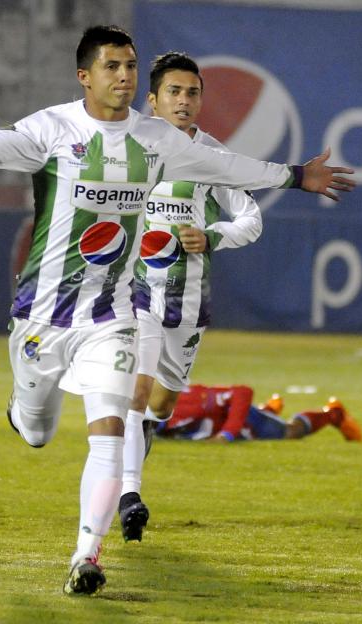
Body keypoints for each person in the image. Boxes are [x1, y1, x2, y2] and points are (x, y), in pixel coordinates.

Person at [0, 25, 354, 596]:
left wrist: (296, 177)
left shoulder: (157, 138)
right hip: (42, 318)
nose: (124, 76)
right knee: (35, 431)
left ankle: (86, 555)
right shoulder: (51, 130)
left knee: (109, 427)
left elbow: (228, 169)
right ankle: (24, 412)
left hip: (114, 315)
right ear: (85, 75)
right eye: (112, 67)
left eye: (130, 66)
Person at [118, 52, 266, 544]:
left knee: (160, 405)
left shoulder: (212, 159)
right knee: (135, 394)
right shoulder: (127, 147)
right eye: (175, 93)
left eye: (193, 93)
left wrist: (214, 235)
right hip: (132, 294)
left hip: (188, 301)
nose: (184, 101)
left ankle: (133, 466)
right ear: (153, 100)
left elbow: (251, 218)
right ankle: (129, 496)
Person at [156, 385, 362, 442]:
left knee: (292, 432)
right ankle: (269, 410)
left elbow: (242, 392)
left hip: (245, 421)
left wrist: (226, 434)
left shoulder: (189, 400)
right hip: (229, 424)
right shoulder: (153, 420)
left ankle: (334, 414)